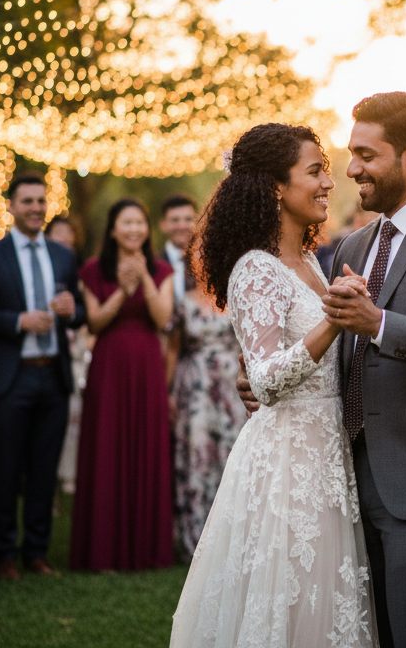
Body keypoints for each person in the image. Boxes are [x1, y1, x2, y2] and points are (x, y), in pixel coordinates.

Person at [228, 93, 406, 647]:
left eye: (365, 154)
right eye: (348, 155)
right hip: (347, 481)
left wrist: (380, 323)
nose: (351, 168)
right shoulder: (353, 244)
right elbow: (341, 347)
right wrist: (273, 377)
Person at [172, 122, 378, 646]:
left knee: (327, 603)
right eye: (315, 172)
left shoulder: (310, 261)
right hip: (288, 459)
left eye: (327, 172)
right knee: (290, 599)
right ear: (275, 188)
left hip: (328, 450)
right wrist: (334, 317)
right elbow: (262, 379)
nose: (329, 183)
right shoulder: (256, 269)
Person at [0, 174, 85, 580]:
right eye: (27, 201)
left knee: (43, 469)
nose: (36, 208)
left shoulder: (62, 255)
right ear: (11, 205)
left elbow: (80, 311)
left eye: (41, 201)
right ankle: (3, 554)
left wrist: (73, 308)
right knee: (4, 469)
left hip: (52, 376)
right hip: (9, 377)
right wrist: (17, 320)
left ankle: (36, 552)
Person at [72, 198, 175, 571]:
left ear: (147, 230)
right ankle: (102, 550)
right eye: (126, 223)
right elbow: (95, 323)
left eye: (140, 223)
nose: (134, 230)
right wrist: (121, 288)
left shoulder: (162, 269)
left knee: (145, 446)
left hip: (147, 365)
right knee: (108, 447)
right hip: (109, 364)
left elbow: (163, 318)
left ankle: (144, 549)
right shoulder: (93, 269)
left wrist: (143, 278)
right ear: (113, 229)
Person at [162, 192, 245, 558]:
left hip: (230, 388)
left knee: (231, 457)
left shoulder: (235, 296)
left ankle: (232, 541)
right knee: (196, 458)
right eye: (196, 254)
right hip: (194, 389)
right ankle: (195, 542)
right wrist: (166, 394)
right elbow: (173, 349)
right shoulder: (182, 303)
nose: (202, 259)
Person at [159, 194, 198, 305]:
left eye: (188, 219)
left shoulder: (209, 261)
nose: (182, 226)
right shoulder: (153, 263)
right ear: (163, 225)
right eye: (175, 220)